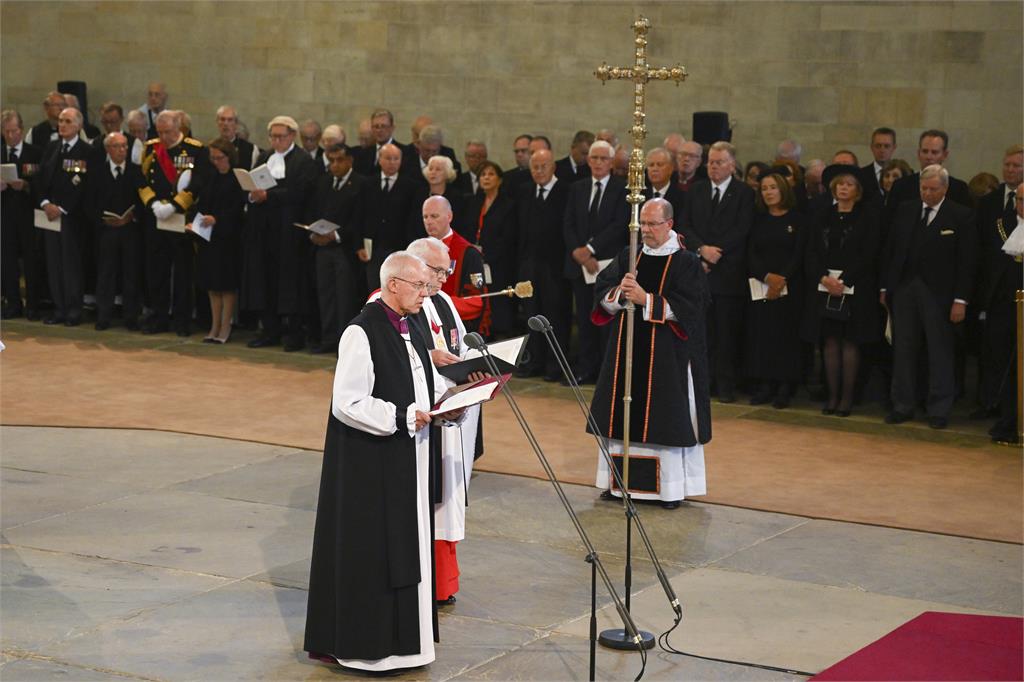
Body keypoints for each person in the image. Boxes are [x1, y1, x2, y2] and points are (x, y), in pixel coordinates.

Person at [304, 251, 458, 673]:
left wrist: (448, 400)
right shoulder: (361, 331)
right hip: (373, 465)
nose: (426, 295)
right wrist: (403, 416)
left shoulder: (410, 326)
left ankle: (410, 645)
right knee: (378, 553)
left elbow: (416, 379)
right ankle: (371, 648)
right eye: (419, 286)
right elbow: (347, 402)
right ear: (393, 284)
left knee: (407, 546)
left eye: (428, 286)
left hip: (409, 458)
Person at [588, 198, 710, 510]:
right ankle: (618, 485)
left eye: (652, 224)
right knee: (621, 413)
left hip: (667, 355)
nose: (645, 230)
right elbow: (603, 290)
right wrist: (620, 293)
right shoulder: (631, 255)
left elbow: (692, 309)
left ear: (669, 224)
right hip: (626, 348)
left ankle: (667, 490)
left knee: (663, 417)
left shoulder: (686, 262)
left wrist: (646, 299)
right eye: (642, 224)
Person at [406, 236, 483, 608]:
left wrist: (479, 362)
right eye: (437, 271)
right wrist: (430, 356)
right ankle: (428, 581)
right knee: (429, 500)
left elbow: (458, 347)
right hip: (424, 415)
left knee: (447, 498)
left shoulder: (444, 301)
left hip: (451, 410)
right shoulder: (393, 304)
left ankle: (443, 582)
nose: (443, 278)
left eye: (445, 270)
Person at [882, 165, 975, 429]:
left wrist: (961, 300)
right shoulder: (906, 209)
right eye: (924, 188)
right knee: (904, 349)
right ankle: (902, 404)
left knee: (940, 351)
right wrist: (885, 288)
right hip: (904, 288)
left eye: (933, 189)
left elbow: (967, 263)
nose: (928, 193)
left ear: (944, 189)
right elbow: (892, 249)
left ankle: (939, 407)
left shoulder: (960, 215)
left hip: (940, 294)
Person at [679, 141, 755, 403]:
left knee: (726, 333)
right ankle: (703, 382)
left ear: (732, 165)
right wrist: (701, 250)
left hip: (728, 272)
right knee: (702, 332)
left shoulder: (744, 193)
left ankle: (725, 384)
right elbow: (685, 224)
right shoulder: (697, 190)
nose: (713, 166)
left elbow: (742, 229)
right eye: (710, 161)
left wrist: (715, 253)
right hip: (699, 270)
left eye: (719, 162)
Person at [801, 165, 881, 417]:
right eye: (840, 184)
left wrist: (844, 280)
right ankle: (832, 396)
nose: (844, 188)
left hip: (855, 287)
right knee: (829, 342)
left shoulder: (866, 216)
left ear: (857, 190)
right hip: (825, 285)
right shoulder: (823, 214)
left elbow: (869, 253)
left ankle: (847, 398)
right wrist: (825, 278)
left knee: (850, 341)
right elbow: (811, 250)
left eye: (850, 184)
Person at [243, 115, 318, 351]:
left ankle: (294, 334)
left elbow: (302, 192)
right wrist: (253, 194)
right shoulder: (264, 157)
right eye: (273, 136)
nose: (276, 141)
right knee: (266, 281)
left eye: (281, 136)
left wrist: (270, 196)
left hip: (290, 233)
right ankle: (269, 330)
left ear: (292, 136)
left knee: (291, 285)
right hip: (265, 232)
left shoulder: (303, 161)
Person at [562, 139, 630, 384]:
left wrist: (590, 249)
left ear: (611, 163)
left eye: (603, 159)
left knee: (607, 318)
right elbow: (568, 223)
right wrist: (579, 252)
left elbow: (619, 225)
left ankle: (607, 371)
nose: (598, 163)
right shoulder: (577, 187)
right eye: (594, 158)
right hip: (580, 266)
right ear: (588, 160)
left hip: (607, 265)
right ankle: (585, 368)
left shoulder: (622, 188)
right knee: (583, 318)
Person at [137, 110, 206, 336]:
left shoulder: (195, 149)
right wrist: (154, 204)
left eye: (168, 131)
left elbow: (196, 184)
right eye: (160, 131)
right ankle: (158, 318)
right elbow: (141, 181)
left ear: (179, 128)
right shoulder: (150, 148)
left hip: (180, 219)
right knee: (157, 271)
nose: (164, 136)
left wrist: (174, 206)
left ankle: (182, 320)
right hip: (156, 219)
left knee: (183, 274)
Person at [972, 146, 1022, 440]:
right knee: (994, 352)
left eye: (1017, 166)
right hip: (998, 294)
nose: (1011, 170)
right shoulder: (992, 205)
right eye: (1007, 165)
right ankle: (991, 403)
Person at [746, 173, 806, 408]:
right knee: (763, 336)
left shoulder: (798, 220)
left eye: (773, 187)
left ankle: (784, 386)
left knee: (785, 337)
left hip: (790, 288)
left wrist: (781, 279)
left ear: (783, 190)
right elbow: (751, 252)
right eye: (764, 189)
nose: (768, 192)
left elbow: (799, 253)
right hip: (761, 286)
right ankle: (765, 385)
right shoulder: (758, 220)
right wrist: (767, 277)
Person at [306, 143, 369, 354]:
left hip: (346, 250)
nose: (334, 165)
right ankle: (329, 337)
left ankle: (345, 342)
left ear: (349, 160)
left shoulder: (360, 184)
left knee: (345, 297)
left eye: (339, 160)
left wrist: (337, 235)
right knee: (326, 294)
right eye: (331, 161)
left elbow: (360, 219)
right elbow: (313, 211)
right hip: (322, 249)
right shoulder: (323, 182)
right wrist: (313, 232)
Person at [515, 148, 572, 380]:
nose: (538, 171)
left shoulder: (566, 191)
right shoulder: (525, 191)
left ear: (553, 166)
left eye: (543, 166)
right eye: (534, 167)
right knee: (531, 313)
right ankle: (535, 361)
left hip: (555, 267)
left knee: (555, 315)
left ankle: (555, 365)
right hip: (530, 265)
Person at [36, 107, 93, 327]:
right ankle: (59, 308)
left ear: (78, 125)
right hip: (49, 215)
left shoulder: (86, 151)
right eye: (60, 121)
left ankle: (73, 310)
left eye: (67, 121)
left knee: (71, 265)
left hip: (72, 217)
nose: (62, 125)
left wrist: (62, 208)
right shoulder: (51, 148)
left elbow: (85, 187)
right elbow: (40, 179)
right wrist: (45, 203)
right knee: (54, 264)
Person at [188, 138, 245, 343]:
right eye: (213, 158)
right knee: (212, 285)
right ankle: (214, 326)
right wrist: (195, 222)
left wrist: (217, 219)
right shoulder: (210, 177)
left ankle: (225, 326)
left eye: (219, 158)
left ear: (228, 157)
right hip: (209, 238)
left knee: (226, 286)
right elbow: (202, 203)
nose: (216, 162)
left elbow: (238, 211)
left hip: (227, 239)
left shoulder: (236, 178)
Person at [87, 132, 144, 331]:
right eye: (117, 146)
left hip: (130, 230)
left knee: (131, 273)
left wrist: (132, 217)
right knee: (106, 273)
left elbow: (142, 200)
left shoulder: (136, 172)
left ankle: (131, 316)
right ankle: (104, 315)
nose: (122, 150)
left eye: (125, 146)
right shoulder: (97, 172)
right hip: (106, 231)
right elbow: (89, 202)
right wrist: (104, 220)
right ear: (108, 149)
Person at [461, 160, 517, 336]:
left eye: (491, 174)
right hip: (476, 261)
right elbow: (467, 230)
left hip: (498, 263)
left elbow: (508, 237)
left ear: (500, 180)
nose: (486, 177)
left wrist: (487, 256)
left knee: (498, 304)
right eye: (483, 174)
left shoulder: (508, 204)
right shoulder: (473, 202)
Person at [0, 109, 44, 320]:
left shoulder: (34, 153)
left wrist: (26, 185)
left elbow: (42, 184)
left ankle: (33, 304)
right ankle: (13, 303)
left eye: (14, 131)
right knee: (7, 261)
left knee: (31, 260)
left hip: (28, 215)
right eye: (6, 131)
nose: (11, 136)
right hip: (5, 215)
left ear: (21, 129)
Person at [421, 195, 487, 331]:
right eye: (425, 217)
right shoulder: (417, 250)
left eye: (434, 216)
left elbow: (477, 302)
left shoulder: (468, 253)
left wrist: (435, 305)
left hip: (455, 325)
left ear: (449, 217)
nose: (428, 221)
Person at [364, 143, 418, 291]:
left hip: (399, 246)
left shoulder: (410, 186)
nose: (392, 162)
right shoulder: (368, 184)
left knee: (397, 287)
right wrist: (359, 245)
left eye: (396, 159)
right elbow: (360, 215)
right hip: (373, 247)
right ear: (380, 159)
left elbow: (413, 219)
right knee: (374, 287)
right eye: (388, 158)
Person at [411, 154, 464, 236]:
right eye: (430, 169)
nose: (433, 172)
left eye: (438, 169)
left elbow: (457, 225)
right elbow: (413, 223)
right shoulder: (419, 194)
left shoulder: (456, 197)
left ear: (447, 173)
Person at [643, 147, 685, 220]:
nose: (654, 169)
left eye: (659, 165)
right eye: (651, 165)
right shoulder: (641, 195)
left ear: (671, 168)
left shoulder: (682, 198)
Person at [215, 105, 259, 170]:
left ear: (236, 124)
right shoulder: (210, 149)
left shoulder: (251, 149)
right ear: (217, 123)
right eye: (222, 119)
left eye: (230, 120)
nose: (225, 123)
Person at [860, 127, 897, 199]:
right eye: (878, 146)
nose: (882, 150)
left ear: (894, 148)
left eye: (887, 146)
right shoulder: (861, 175)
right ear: (872, 147)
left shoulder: (904, 173)